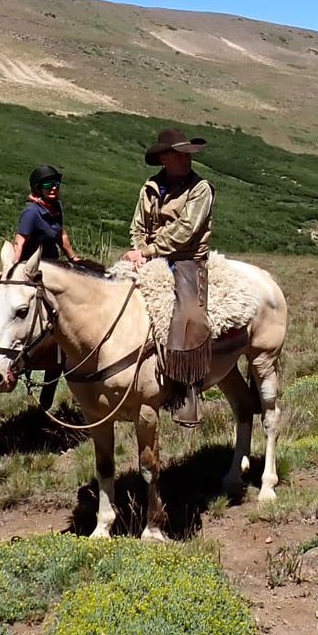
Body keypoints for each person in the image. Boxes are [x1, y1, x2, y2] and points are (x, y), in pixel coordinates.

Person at [121, 128, 214, 425]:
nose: (187, 160)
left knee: (190, 316)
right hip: (149, 256)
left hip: (186, 260)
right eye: (180, 155)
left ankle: (190, 389)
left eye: (188, 155)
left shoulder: (200, 189)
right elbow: (137, 225)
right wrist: (139, 251)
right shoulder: (150, 187)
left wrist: (148, 251)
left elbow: (185, 231)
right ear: (164, 158)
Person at [13, 165, 82, 264]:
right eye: (47, 185)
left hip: (52, 261)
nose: (54, 188)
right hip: (32, 264)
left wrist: (73, 258)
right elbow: (20, 242)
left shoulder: (56, 207)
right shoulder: (31, 212)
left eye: (56, 184)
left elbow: (60, 234)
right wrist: (14, 266)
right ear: (38, 189)